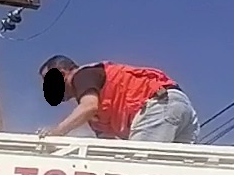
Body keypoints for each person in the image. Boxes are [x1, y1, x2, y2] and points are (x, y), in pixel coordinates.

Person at [37, 55, 199, 143]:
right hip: (174, 105)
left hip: (157, 107)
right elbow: (108, 144)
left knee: (138, 169)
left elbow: (88, 107)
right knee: (173, 171)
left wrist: (57, 132)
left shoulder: (82, 75)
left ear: (63, 73)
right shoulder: (96, 116)